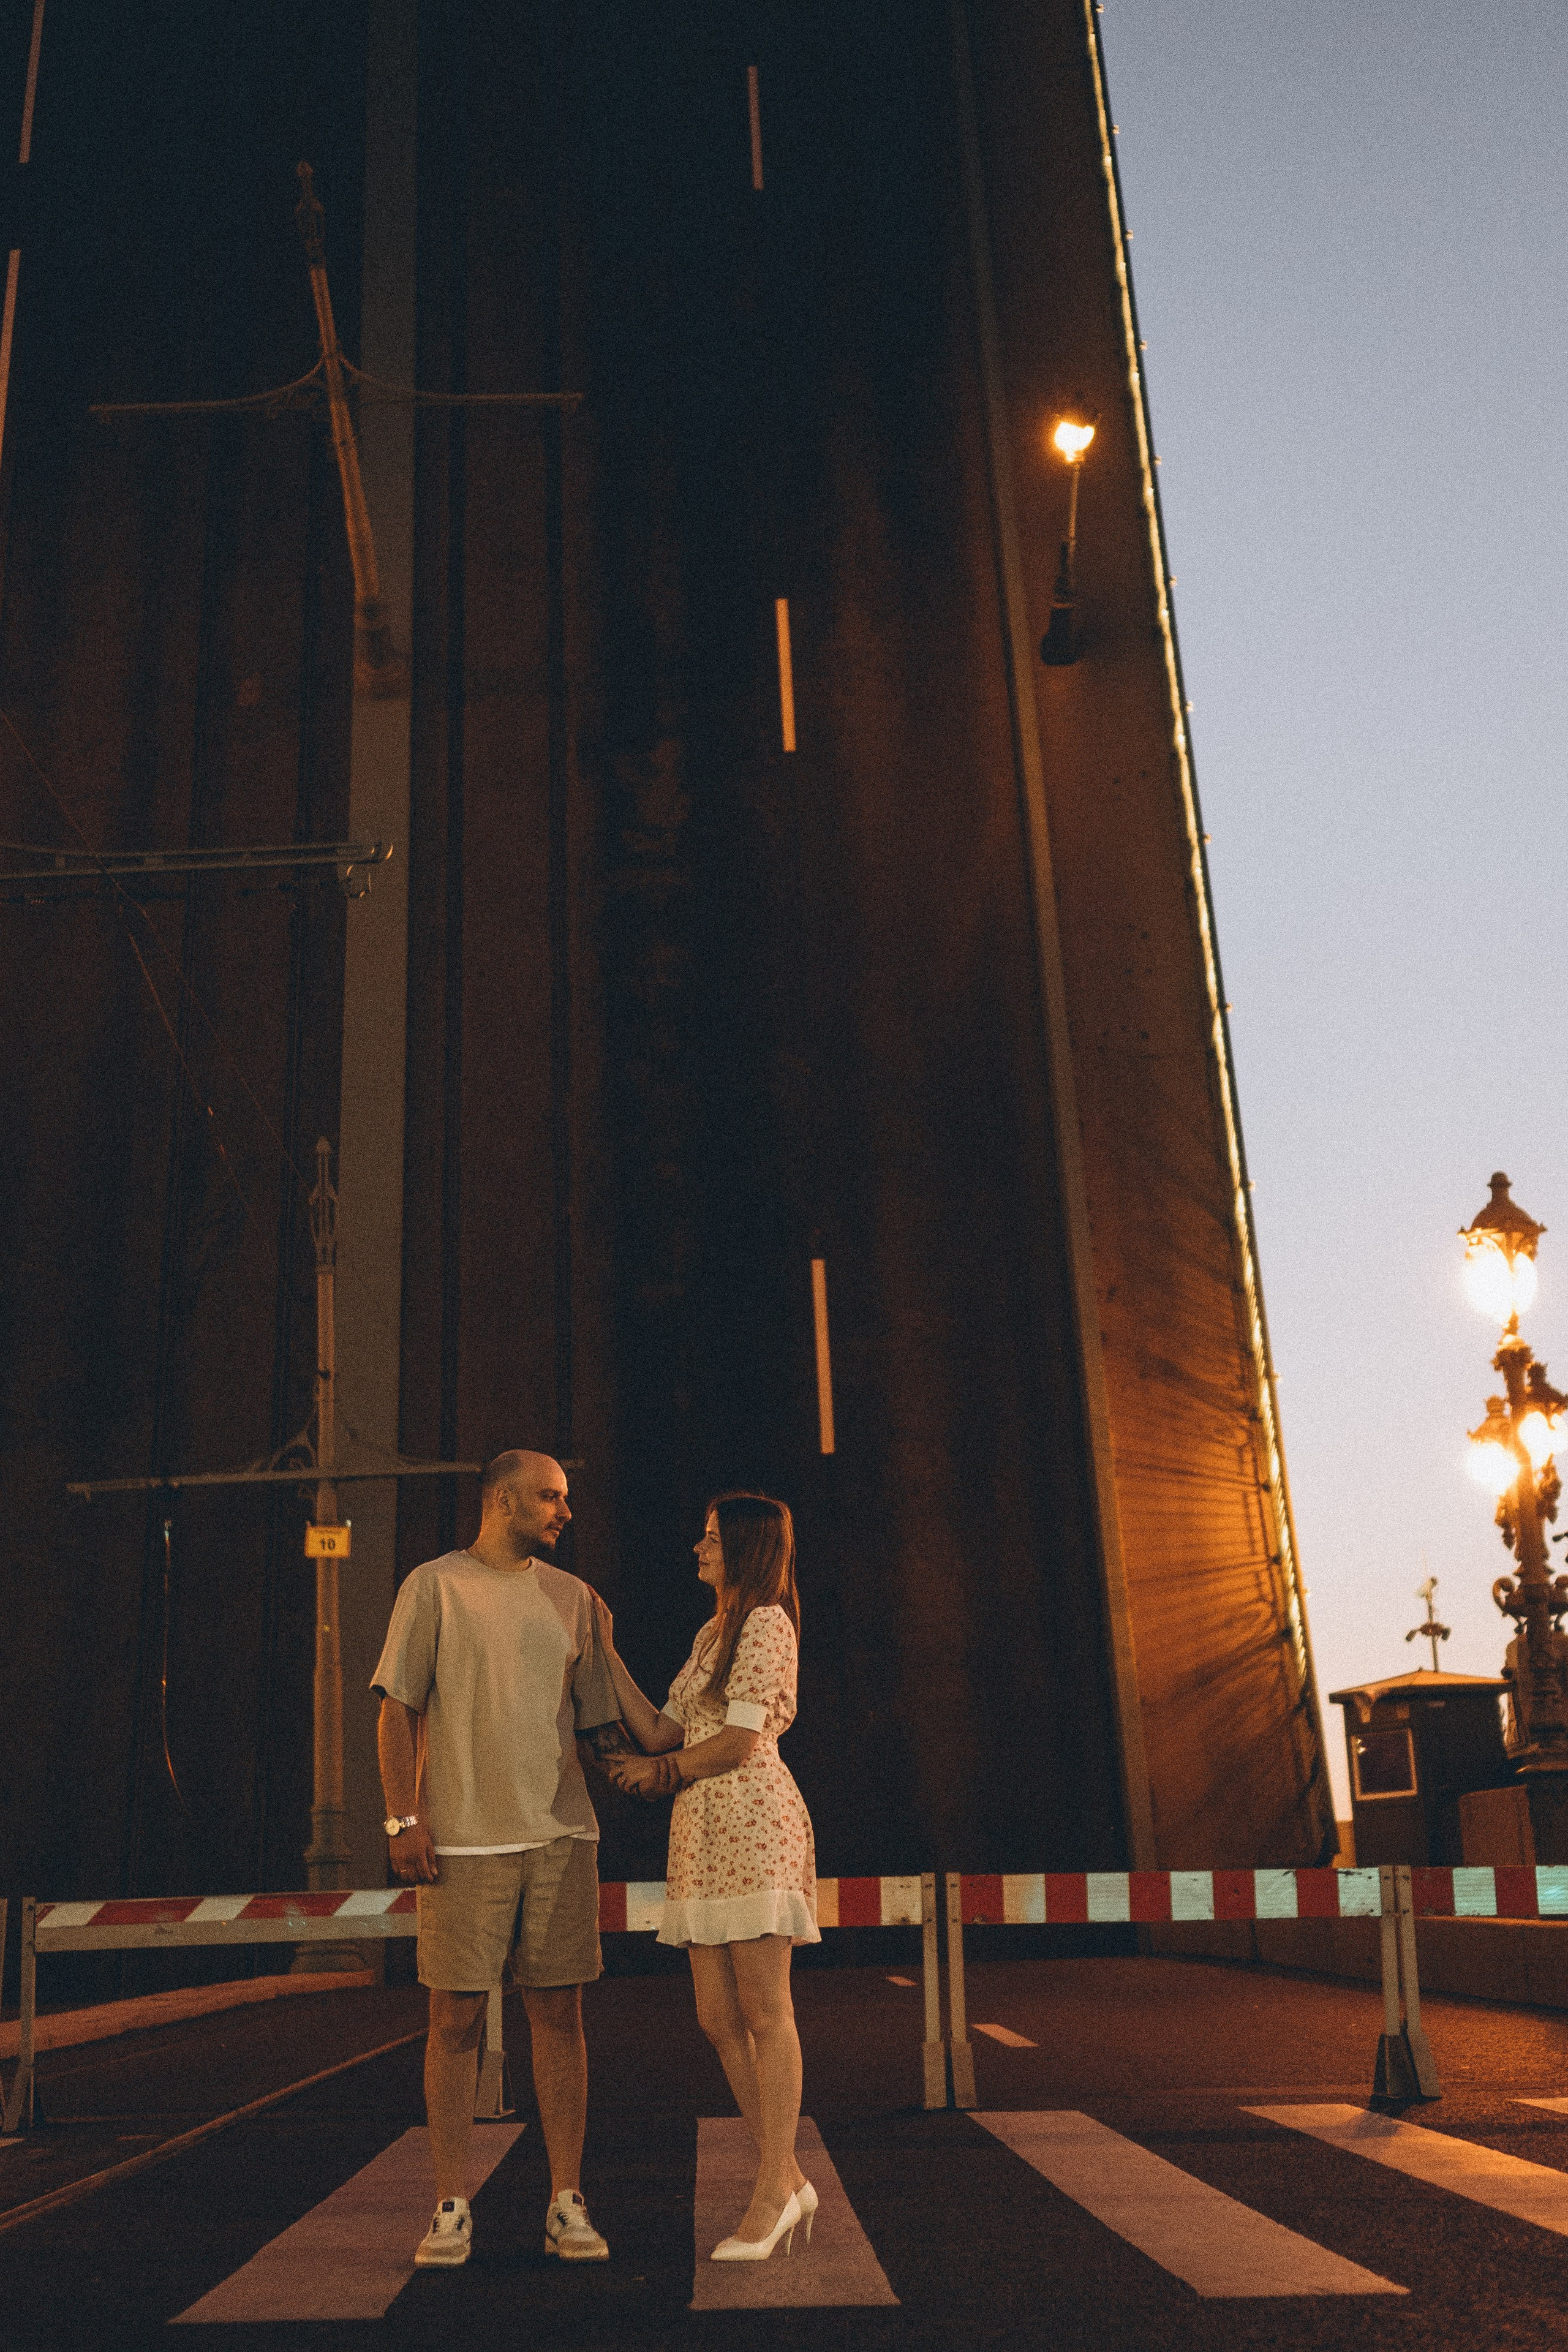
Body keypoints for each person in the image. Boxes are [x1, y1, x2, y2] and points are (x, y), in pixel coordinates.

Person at [371, 1449, 636, 2270]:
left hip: (561, 1839)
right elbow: (396, 1709)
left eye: (566, 1499)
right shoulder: (433, 1585)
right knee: (452, 2021)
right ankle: (452, 2206)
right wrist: (402, 1818)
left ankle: (566, 2201)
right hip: (463, 1842)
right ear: (503, 1499)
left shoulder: (574, 1598)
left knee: (559, 2017)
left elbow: (605, 1725)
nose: (565, 1513)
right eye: (551, 1498)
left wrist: (695, 1754)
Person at [598, 1491, 820, 2261]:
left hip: (752, 1819)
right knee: (717, 2017)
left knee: (765, 2009)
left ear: (747, 1549)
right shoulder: (711, 1631)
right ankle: (786, 2173)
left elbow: (732, 1744)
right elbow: (667, 1728)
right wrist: (604, 1649)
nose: (698, 1547)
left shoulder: (766, 1623)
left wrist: (658, 1773)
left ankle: (771, 2190)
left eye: (712, 1538)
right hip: (701, 1831)